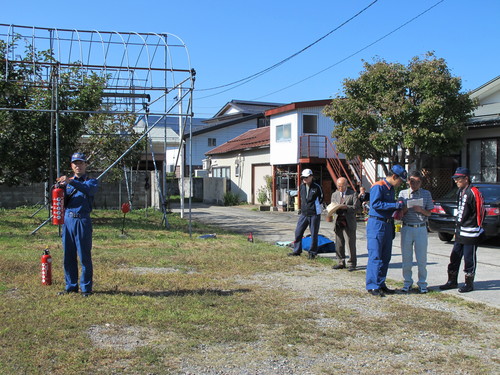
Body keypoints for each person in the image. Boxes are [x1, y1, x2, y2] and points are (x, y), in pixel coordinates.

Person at [57, 152, 99, 297]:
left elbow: (88, 190)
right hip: (68, 220)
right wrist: (59, 186)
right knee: (68, 255)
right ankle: (71, 286)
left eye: (81, 163)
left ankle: (86, 288)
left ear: (85, 165)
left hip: (82, 220)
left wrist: (71, 182)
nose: (78, 166)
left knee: (84, 256)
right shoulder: (67, 183)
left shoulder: (91, 181)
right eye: (75, 163)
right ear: (72, 166)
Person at [440, 167, 485, 293]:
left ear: (466, 178)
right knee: (455, 256)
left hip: (471, 231)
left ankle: (469, 283)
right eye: (455, 178)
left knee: (469, 258)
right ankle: (452, 281)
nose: (456, 181)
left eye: (458, 178)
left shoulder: (474, 192)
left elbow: (481, 211)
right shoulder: (460, 191)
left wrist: (478, 228)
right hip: (460, 230)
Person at [365, 165, 407, 297]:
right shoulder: (378, 186)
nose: (400, 183)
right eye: (400, 180)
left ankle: (381, 283)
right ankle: (372, 285)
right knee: (375, 255)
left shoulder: (391, 188)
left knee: (385, 256)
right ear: (394, 176)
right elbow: (376, 204)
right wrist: (395, 205)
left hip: (388, 224)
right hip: (377, 223)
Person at [398, 171, 434, 294]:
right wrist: (406, 208)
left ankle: (422, 283)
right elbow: (399, 213)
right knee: (406, 257)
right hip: (407, 227)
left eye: (418, 182)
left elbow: (430, 212)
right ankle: (407, 282)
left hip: (421, 227)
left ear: (421, 183)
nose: (415, 184)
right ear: (408, 181)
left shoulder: (426, 194)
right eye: (412, 181)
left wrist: (421, 210)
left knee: (421, 258)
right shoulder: (403, 193)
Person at [288, 168, 324, 259]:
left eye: (306, 177)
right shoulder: (302, 186)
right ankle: (297, 250)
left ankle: (312, 252)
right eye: (303, 177)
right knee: (298, 231)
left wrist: (315, 207)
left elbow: (321, 198)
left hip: (314, 214)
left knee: (314, 233)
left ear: (311, 177)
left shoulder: (317, 187)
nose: (304, 179)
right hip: (304, 213)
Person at [330, 177, 359, 271]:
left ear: (346, 185)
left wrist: (345, 207)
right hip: (338, 221)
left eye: (342, 186)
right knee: (339, 243)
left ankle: (352, 263)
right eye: (338, 186)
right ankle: (340, 261)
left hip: (348, 221)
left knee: (350, 243)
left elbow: (356, 208)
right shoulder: (334, 194)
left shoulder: (353, 194)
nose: (340, 188)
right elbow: (332, 206)